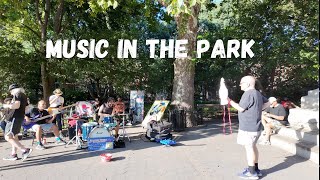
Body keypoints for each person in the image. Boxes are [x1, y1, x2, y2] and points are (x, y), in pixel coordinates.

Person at [228, 76, 269, 179]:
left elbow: (241, 108)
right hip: (256, 127)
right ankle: (255, 170)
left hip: (248, 128)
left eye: (241, 83)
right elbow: (268, 103)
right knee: (253, 147)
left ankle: (251, 173)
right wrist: (258, 110)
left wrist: (229, 101)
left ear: (248, 83)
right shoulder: (257, 93)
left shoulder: (248, 93)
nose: (240, 85)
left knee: (249, 149)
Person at [2, 84, 32, 161]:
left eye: (11, 91)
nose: (11, 93)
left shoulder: (17, 94)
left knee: (8, 137)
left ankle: (25, 150)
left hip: (14, 118)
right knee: (14, 136)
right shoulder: (24, 96)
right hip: (19, 117)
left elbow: (16, 106)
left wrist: (6, 106)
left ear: (13, 90)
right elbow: (26, 107)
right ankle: (13, 154)